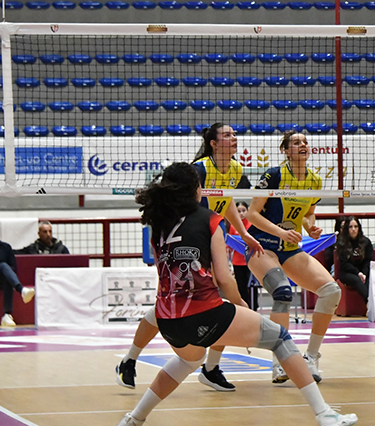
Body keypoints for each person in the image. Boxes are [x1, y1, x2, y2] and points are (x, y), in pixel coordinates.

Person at [116, 163, 356, 426]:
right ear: (196, 189)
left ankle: (134, 418)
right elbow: (223, 276)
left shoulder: (159, 224)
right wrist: (240, 304)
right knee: (280, 338)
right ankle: (324, 414)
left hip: (167, 321)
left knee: (187, 360)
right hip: (205, 312)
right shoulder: (210, 219)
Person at [117, 123, 259, 391]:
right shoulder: (199, 169)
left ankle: (210, 368)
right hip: (187, 240)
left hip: (211, 236)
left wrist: (243, 233)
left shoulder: (236, 169)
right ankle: (130, 359)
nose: (233, 138)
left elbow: (226, 199)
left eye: (234, 134)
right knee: (171, 302)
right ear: (213, 143)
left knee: (213, 304)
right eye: (227, 135)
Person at [245, 131, 344, 383]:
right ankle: (279, 363)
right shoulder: (274, 176)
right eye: (297, 143)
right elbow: (252, 214)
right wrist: (280, 232)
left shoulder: (314, 180)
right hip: (263, 245)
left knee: (331, 291)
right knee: (282, 293)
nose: (303, 145)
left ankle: (311, 357)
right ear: (286, 151)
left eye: (305, 142)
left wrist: (310, 227)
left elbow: (309, 213)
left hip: (290, 249)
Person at [0, 220, 35, 327]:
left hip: (1, 278)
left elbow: (13, 266)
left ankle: (7, 315)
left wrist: (3, 270)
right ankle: (21, 290)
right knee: (3, 266)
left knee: (7, 276)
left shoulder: (5, 247)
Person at [335, 216, 373, 303]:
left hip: (363, 271)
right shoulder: (341, 243)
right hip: (347, 272)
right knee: (356, 280)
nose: (353, 229)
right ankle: (369, 302)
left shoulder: (366, 242)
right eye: (350, 227)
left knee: (369, 280)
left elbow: (368, 260)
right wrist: (358, 273)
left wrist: (364, 273)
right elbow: (344, 264)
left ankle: (372, 304)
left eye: (356, 226)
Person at [231, 202, 256, 309]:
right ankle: (244, 308)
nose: (241, 213)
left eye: (243, 211)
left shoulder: (252, 225)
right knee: (241, 286)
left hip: (251, 261)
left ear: (247, 211)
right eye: (239, 211)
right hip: (237, 261)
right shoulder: (233, 226)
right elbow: (230, 243)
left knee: (252, 286)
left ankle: (254, 307)